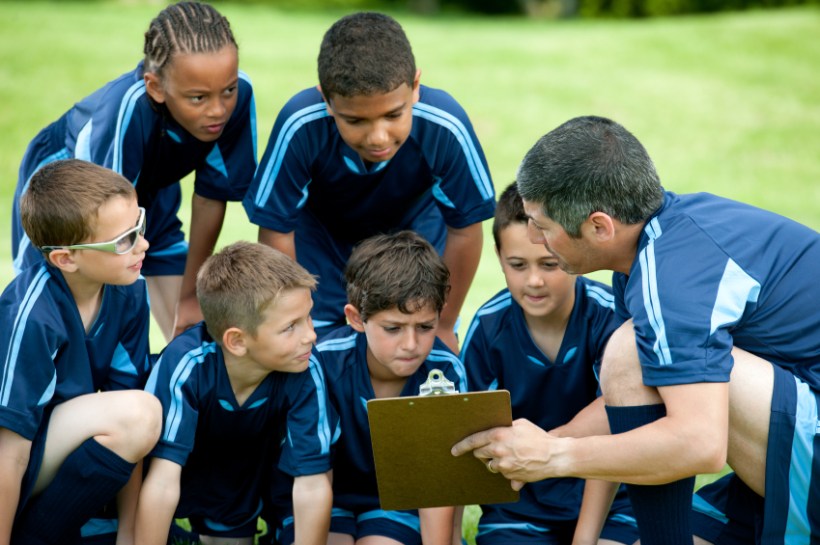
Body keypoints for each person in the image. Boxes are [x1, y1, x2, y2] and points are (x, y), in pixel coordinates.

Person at [452, 115, 820, 545]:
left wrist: (556, 456)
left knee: (629, 350)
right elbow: (632, 398)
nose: (534, 237)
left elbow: (701, 443)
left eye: (543, 226)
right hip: (791, 428)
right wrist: (538, 442)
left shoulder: (671, 279)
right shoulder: (662, 242)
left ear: (599, 227)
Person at [243, 12, 495, 349]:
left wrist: (445, 323)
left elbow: (466, 228)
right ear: (326, 99)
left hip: (413, 243)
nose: (378, 136)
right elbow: (276, 229)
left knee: (408, 352)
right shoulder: (300, 125)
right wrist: (293, 319)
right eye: (355, 119)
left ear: (416, 87)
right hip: (320, 249)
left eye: (393, 115)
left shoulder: (445, 125)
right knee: (317, 358)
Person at [11, 1, 257, 341]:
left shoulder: (239, 97)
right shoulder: (124, 112)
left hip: (150, 187)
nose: (218, 110)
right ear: (155, 87)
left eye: (227, 90)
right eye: (198, 98)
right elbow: (104, 230)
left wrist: (191, 296)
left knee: (195, 331)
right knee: (56, 297)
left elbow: (212, 196)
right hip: (73, 192)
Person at [461, 182, 638, 545]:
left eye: (549, 263)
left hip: (610, 500)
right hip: (519, 509)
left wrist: (584, 539)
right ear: (498, 256)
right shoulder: (487, 329)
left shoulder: (609, 320)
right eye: (517, 265)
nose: (534, 281)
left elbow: (617, 427)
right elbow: (462, 437)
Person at [0, 159, 161, 545]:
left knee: (148, 409)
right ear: (66, 259)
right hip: (13, 455)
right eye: (124, 240)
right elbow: (8, 454)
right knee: (141, 411)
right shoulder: (33, 315)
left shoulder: (129, 289)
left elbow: (132, 412)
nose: (144, 244)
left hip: (46, 452)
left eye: (139, 224)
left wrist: (130, 534)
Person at [134, 241, 336, 545]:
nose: (311, 335)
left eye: (308, 317)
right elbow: (162, 480)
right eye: (290, 327)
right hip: (183, 471)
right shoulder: (188, 365)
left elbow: (313, 483)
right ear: (237, 341)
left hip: (241, 484)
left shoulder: (305, 366)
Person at [273, 231, 464, 545]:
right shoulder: (321, 365)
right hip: (324, 496)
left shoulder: (444, 371)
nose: (411, 344)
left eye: (426, 327)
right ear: (356, 318)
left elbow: (438, 480)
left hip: (394, 505)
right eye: (393, 328)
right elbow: (312, 472)